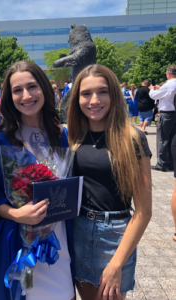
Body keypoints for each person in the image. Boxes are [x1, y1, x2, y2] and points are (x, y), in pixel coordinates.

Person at [0, 61, 75, 300]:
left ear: (44, 88)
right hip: (17, 244)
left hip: (59, 242)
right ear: (9, 97)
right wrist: (16, 214)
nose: (26, 95)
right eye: (17, 90)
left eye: (32, 86)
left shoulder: (62, 135)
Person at [68, 64, 152, 300]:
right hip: (77, 230)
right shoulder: (74, 135)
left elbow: (144, 212)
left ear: (114, 94)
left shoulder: (132, 138)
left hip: (114, 236)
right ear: (77, 98)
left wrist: (117, 262)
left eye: (102, 91)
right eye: (86, 93)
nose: (94, 100)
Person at [150, 65, 176, 172]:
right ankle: (171, 162)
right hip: (174, 113)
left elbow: (154, 96)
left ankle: (162, 163)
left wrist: (152, 89)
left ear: (168, 73)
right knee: (172, 140)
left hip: (166, 113)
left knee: (162, 138)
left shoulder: (168, 84)